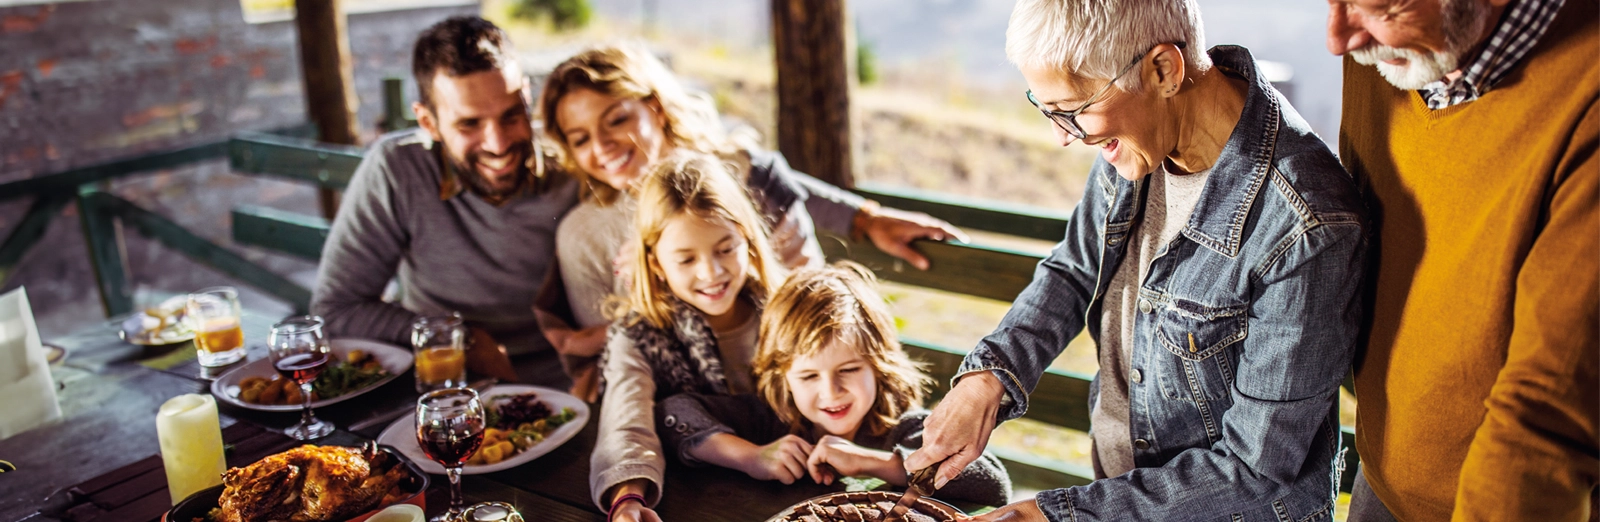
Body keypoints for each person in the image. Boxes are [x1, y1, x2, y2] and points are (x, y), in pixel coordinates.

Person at [906, 1, 1370, 520]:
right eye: (1047, 108)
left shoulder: (1308, 224)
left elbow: (1255, 470)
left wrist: (1052, 515)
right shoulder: (1140, 133)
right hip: (1116, 497)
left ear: (1164, 70)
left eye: (1075, 108)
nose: (1063, 136)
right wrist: (988, 379)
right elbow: (1073, 270)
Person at [531, 43, 968, 401]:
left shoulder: (743, 174)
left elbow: (804, 275)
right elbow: (611, 349)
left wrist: (865, 218)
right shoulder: (582, 233)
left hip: (796, 384)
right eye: (581, 138)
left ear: (655, 109)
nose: (603, 145)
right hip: (681, 411)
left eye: (617, 120)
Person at [1326, 0, 1598, 519]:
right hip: (1382, 478)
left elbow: (1544, 421)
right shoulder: (1387, 48)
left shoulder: (1586, 97)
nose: (1338, 39)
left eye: (1379, 8)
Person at [311, 16, 568, 385]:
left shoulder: (575, 163)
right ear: (428, 122)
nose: (498, 144)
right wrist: (463, 338)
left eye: (512, 115)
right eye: (469, 125)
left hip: (566, 385)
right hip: (446, 389)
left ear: (526, 97)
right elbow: (336, 311)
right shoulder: (397, 168)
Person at [654, 262, 1011, 506]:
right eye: (809, 376)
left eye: (849, 370)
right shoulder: (770, 420)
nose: (831, 391)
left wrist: (877, 463)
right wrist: (750, 457)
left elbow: (993, 484)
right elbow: (675, 413)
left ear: (877, 365)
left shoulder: (905, 429)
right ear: (784, 377)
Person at [591, 151, 786, 522]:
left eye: (725, 249)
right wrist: (627, 500)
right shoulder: (638, 336)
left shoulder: (786, 311)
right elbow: (626, 424)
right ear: (656, 264)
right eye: (686, 259)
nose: (711, 272)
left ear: (747, 238)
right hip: (701, 503)